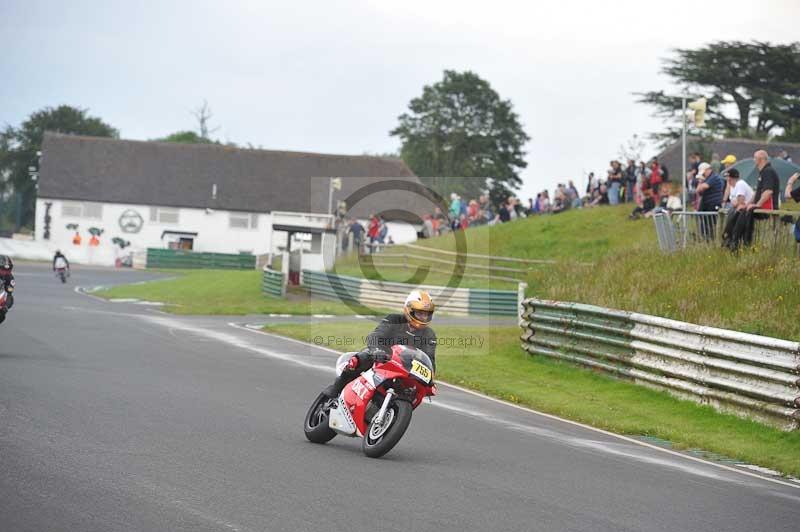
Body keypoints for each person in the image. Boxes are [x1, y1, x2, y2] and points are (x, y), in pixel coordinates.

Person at [322, 290, 437, 398]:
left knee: (413, 393)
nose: (423, 317)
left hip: (404, 369)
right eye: (420, 313)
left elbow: (429, 359)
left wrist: (430, 379)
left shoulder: (429, 335)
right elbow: (375, 336)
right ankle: (336, 388)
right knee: (362, 358)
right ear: (409, 310)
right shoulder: (394, 320)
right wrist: (377, 351)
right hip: (381, 357)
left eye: (426, 314)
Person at [0, 255, 15, 324]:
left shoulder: (10, 278)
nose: (5, 273)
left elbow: (9, 295)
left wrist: (5, 308)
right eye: (3, 270)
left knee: (10, 300)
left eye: (8, 270)